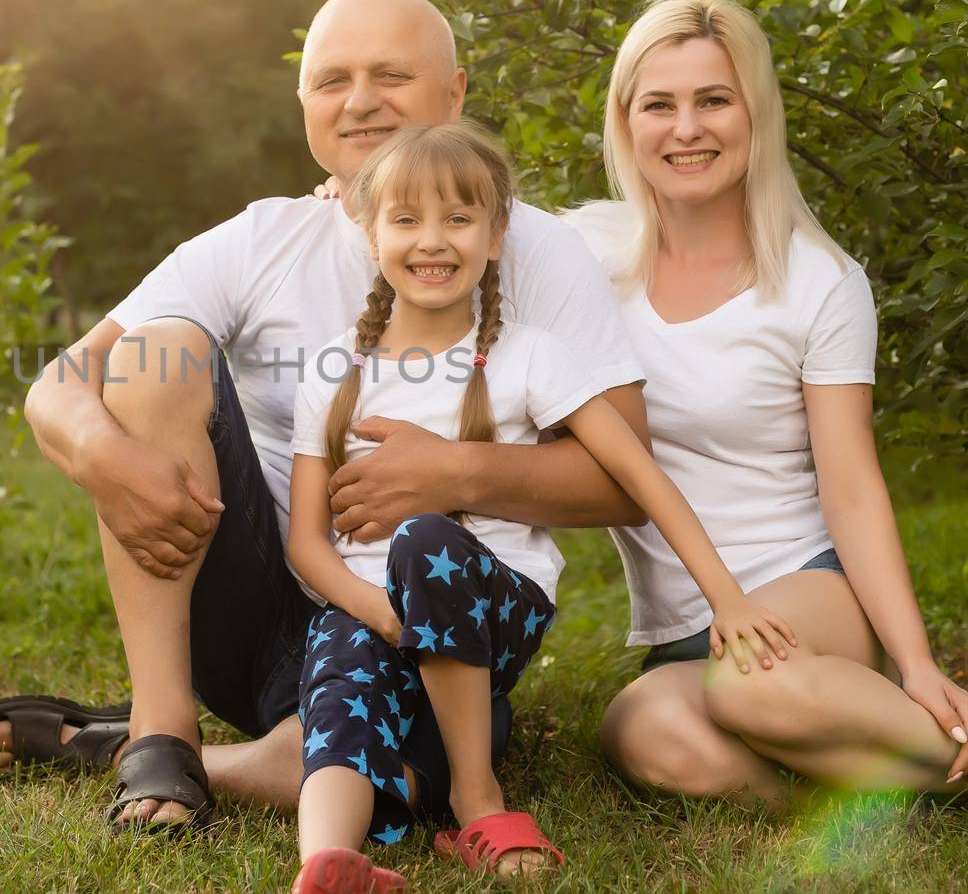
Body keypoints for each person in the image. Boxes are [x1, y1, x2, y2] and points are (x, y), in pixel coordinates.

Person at [0, 0, 651, 829]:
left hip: (416, 622)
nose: (360, 101)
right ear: (305, 104)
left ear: (456, 91)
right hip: (252, 604)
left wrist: (457, 471)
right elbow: (58, 382)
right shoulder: (265, 236)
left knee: (410, 776)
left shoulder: (537, 248)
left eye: (391, 74)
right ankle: (163, 725)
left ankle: (143, 755)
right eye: (333, 80)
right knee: (156, 347)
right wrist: (105, 454)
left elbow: (623, 480)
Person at [287, 120, 799, 892]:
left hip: (494, 608)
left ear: (495, 235)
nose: (433, 240)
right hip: (368, 606)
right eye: (406, 219)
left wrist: (727, 599)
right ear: (370, 233)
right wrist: (377, 615)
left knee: (428, 539)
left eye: (459, 218)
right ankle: (327, 862)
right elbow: (306, 542)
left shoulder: (529, 355)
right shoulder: (332, 367)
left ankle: (476, 798)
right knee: (340, 685)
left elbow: (643, 475)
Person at [563, 0, 968, 810]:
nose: (687, 129)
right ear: (624, 119)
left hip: (807, 591)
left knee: (748, 687)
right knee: (645, 731)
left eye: (715, 100)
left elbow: (850, 487)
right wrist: (342, 197)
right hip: (685, 631)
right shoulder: (581, 255)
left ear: (757, 113)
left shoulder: (819, 280)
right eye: (659, 104)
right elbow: (443, 216)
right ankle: (858, 791)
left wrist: (918, 662)